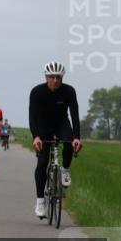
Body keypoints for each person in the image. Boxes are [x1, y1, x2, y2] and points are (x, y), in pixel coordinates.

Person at [29, 62, 82, 219]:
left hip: (61, 124)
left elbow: (74, 114)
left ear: (62, 78)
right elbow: (32, 116)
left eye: (58, 77)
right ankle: (40, 202)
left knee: (70, 142)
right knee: (42, 163)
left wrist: (77, 137)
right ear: (46, 77)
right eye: (52, 77)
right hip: (43, 127)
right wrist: (35, 136)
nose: (55, 80)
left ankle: (65, 170)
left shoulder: (69, 91)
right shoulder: (37, 91)